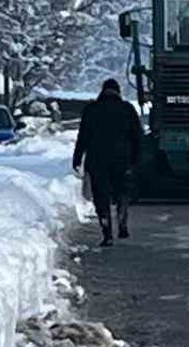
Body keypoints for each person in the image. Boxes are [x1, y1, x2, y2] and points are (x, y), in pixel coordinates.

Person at [73, 78, 142, 246]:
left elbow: (83, 136)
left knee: (101, 195)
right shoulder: (127, 109)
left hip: (97, 160)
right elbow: (137, 137)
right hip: (122, 159)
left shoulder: (92, 109)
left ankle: (107, 231)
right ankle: (122, 218)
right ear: (118, 92)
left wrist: (77, 158)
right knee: (122, 192)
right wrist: (136, 160)